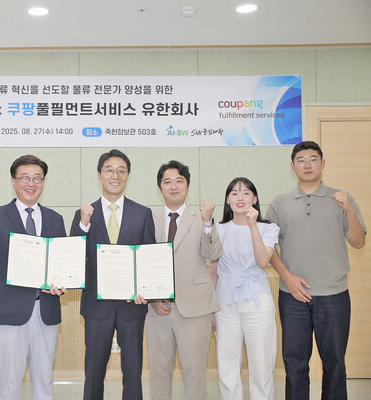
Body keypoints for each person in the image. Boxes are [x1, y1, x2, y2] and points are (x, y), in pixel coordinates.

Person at [266, 141, 366, 400]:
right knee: (295, 363)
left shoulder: (341, 198)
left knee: (335, 362)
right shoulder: (279, 203)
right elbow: (268, 249)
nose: (307, 164)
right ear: (292, 166)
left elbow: (358, 242)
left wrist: (348, 209)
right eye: (301, 160)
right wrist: (287, 278)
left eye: (313, 159)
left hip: (334, 295)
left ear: (323, 163)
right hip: (292, 295)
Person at [0, 154, 66, 400]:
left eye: (37, 178)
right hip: (11, 309)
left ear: (43, 182)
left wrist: (64, 282)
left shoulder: (55, 219)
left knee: (44, 378)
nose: (31, 183)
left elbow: (62, 262)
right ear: (13, 181)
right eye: (25, 178)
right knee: (11, 381)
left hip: (47, 308)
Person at [70, 149, 155, 400]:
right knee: (94, 371)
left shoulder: (143, 213)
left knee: (133, 371)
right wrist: (83, 224)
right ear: (99, 175)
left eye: (121, 171)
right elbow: (74, 255)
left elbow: (148, 257)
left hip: (133, 305)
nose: (115, 176)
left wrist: (146, 291)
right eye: (109, 170)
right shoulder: (85, 213)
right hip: (97, 306)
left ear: (128, 175)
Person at [143, 160, 221, 400]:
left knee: (195, 373)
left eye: (179, 181)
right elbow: (142, 262)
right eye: (167, 182)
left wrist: (208, 223)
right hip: (158, 309)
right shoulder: (149, 218)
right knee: (159, 372)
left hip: (195, 308)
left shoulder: (201, 217)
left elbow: (213, 253)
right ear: (160, 188)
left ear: (187, 185)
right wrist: (152, 298)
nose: (173, 186)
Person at [209, 177, 279, 400]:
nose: (240, 197)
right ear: (228, 200)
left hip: (257, 304)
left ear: (255, 199)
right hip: (225, 305)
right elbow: (213, 271)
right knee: (227, 365)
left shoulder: (268, 228)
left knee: (261, 365)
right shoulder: (218, 229)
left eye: (246, 192)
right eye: (235, 193)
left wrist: (252, 226)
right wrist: (211, 309)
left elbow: (262, 261)